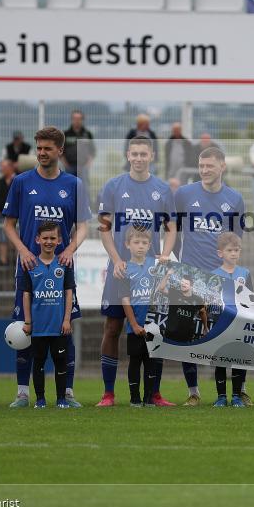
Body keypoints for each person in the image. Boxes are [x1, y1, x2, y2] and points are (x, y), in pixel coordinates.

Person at [4, 127, 91, 408]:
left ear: (60, 151)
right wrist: (23, 251)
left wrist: (69, 249)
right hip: (29, 270)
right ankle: (22, 393)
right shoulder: (21, 182)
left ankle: (67, 393)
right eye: (38, 148)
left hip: (60, 271)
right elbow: (8, 224)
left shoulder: (74, 185)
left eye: (47, 148)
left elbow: (84, 226)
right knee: (25, 329)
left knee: (65, 331)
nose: (41, 153)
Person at [96, 136, 176, 407]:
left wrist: (165, 253)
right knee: (112, 328)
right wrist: (117, 259)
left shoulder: (162, 189)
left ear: (152, 155)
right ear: (128, 155)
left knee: (154, 330)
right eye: (135, 154)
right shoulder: (113, 186)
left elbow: (172, 227)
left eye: (144, 154)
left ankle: (154, 393)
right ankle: (108, 393)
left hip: (150, 274)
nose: (139, 158)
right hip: (121, 270)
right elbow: (104, 229)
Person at [173, 147, 246, 406]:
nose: (204, 170)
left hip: (221, 280)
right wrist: (180, 265)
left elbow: (236, 239)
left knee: (230, 335)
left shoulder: (235, 199)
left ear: (223, 167)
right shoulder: (183, 194)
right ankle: (193, 392)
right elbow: (172, 231)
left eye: (210, 166)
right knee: (188, 335)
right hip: (190, 276)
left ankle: (236, 391)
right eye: (201, 166)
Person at [19, 221, 76, 409]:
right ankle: (40, 400)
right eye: (45, 238)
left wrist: (67, 319)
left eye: (53, 238)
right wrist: (28, 321)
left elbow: (69, 293)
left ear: (59, 240)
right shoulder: (30, 265)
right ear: (38, 240)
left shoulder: (64, 264)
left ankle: (61, 399)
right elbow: (26, 294)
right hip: (38, 327)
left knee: (61, 362)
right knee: (39, 363)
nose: (49, 241)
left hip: (59, 326)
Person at [118, 226, 162, 407]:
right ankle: (134, 398)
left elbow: (163, 290)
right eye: (136, 242)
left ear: (150, 244)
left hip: (154, 326)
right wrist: (134, 324)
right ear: (128, 245)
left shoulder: (156, 264)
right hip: (135, 327)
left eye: (144, 242)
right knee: (135, 362)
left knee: (151, 362)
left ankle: (149, 398)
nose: (140, 246)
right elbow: (125, 299)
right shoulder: (124, 268)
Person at [211, 232, 253, 408]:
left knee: (239, 359)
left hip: (239, 324)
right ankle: (221, 397)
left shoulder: (245, 273)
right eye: (230, 250)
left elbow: (252, 299)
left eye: (237, 250)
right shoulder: (213, 274)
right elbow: (211, 300)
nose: (234, 253)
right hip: (221, 324)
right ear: (220, 253)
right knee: (220, 360)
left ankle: (236, 396)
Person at [0, 160, 16, 265]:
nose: (2, 170)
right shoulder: (0, 181)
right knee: (2, 238)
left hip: (16, 215)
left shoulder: (18, 180)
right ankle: (3, 260)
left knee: (18, 238)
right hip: (2, 215)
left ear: (10, 168)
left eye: (4, 167)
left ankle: (18, 260)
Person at [63, 110, 95, 178]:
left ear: (82, 120)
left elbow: (92, 151)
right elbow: (61, 151)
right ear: (72, 119)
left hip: (83, 166)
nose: (77, 121)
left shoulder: (87, 134)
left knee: (83, 187)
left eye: (79, 119)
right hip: (69, 166)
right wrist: (65, 164)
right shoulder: (66, 134)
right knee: (70, 186)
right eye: (75, 118)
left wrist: (88, 165)